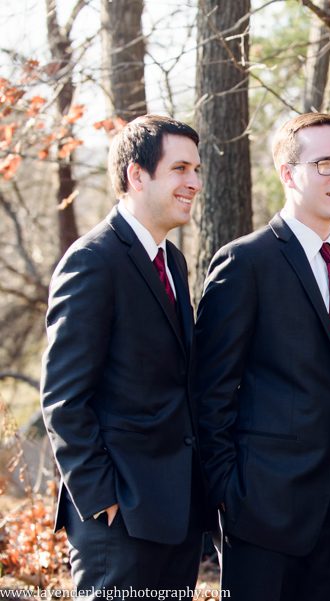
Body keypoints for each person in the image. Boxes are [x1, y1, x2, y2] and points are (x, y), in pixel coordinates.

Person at [192, 112, 330, 601]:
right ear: (287, 173)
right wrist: (230, 496)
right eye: (324, 164)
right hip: (262, 514)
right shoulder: (246, 262)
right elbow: (209, 392)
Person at [40, 115, 206, 597]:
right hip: (119, 519)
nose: (193, 182)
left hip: (176, 514)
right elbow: (64, 399)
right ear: (137, 175)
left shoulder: (172, 261)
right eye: (180, 169)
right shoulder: (93, 260)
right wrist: (101, 501)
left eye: (196, 170)